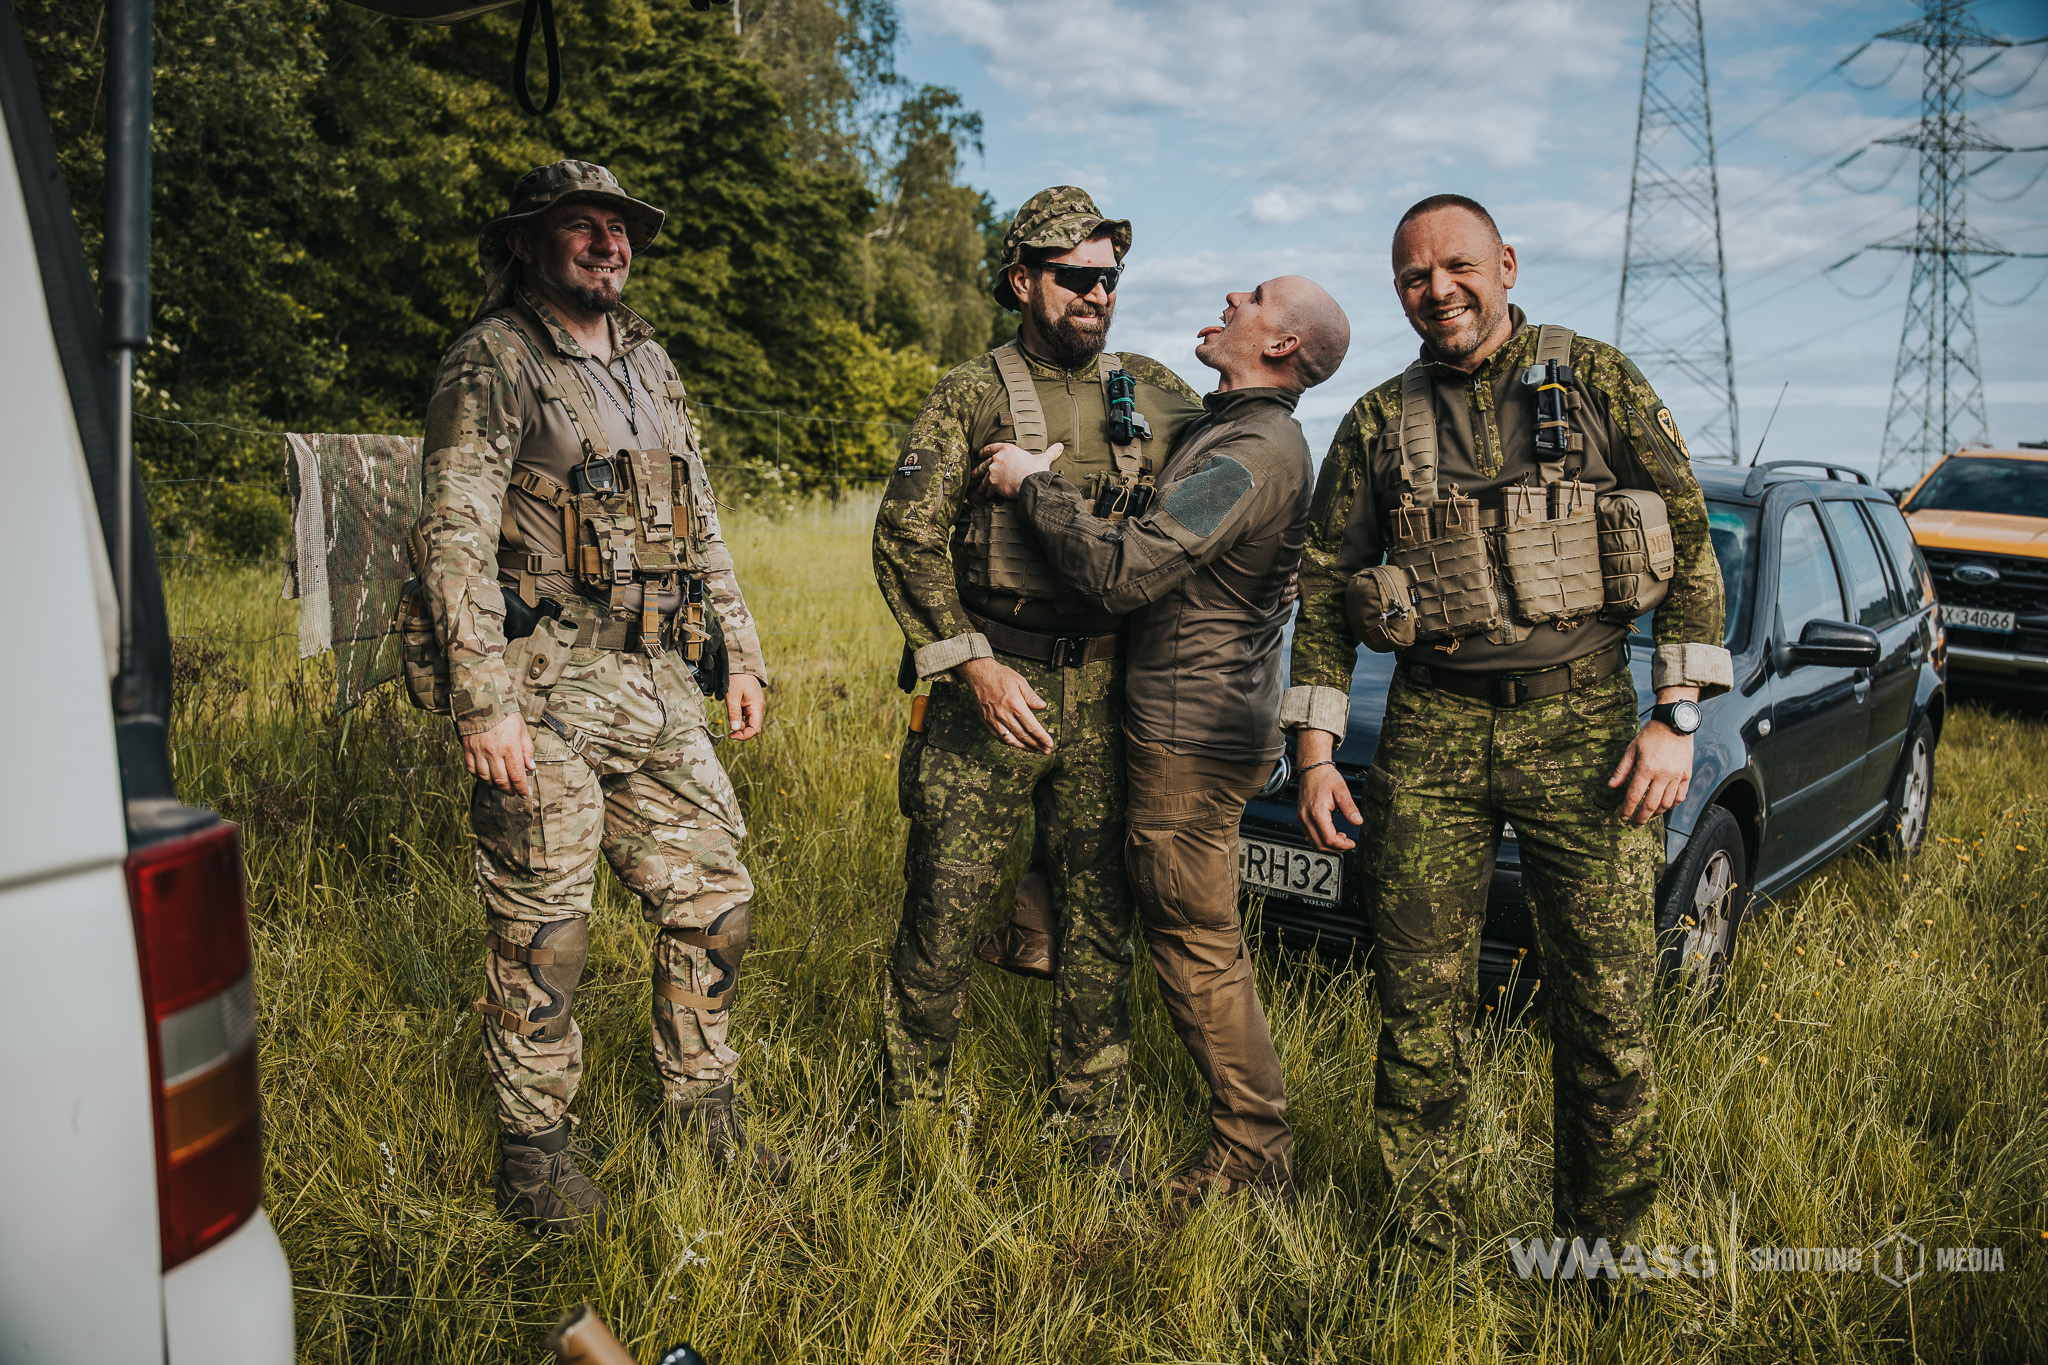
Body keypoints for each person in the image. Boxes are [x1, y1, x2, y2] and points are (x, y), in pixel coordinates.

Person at [1285, 194, 1730, 1271]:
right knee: (1416, 1013)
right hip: (1429, 733)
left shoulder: (1598, 380)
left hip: (1587, 730)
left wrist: (1674, 717)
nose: (1435, 290)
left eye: (1457, 267)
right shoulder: (1376, 421)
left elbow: (1689, 540)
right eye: (1412, 276)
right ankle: (1422, 1255)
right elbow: (1325, 586)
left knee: (1606, 1013)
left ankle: (1601, 1256)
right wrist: (1314, 753)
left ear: (1506, 265)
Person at [416, 160, 781, 1235]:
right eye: (580, 225)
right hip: (541, 691)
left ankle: (702, 1115)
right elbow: (452, 534)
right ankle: (534, 1159)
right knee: (545, 933)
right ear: (528, 242)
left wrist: (740, 655)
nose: (606, 242)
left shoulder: (649, 362)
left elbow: (700, 521)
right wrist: (482, 702)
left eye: (617, 227)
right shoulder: (493, 359)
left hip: (655, 681)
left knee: (714, 898)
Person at [981, 276, 1351, 1202]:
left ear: (1281, 345)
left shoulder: (1255, 450)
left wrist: (1033, 485)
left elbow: (1126, 569)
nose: (1231, 295)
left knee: (1195, 942)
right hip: (1186, 715)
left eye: (1254, 297)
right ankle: (1033, 925)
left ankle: (1253, 1152)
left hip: (1194, 732)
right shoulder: (1229, 431)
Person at [871, 186, 1206, 1175]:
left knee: (1099, 914)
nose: (1098, 293)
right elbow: (905, 538)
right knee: (946, 905)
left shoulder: (1152, 391)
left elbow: (1234, 472)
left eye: (1109, 276)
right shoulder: (970, 393)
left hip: (1108, 688)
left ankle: (1090, 1126)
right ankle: (909, 1122)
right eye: (1075, 276)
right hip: (993, 686)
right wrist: (970, 663)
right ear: (1022, 281)